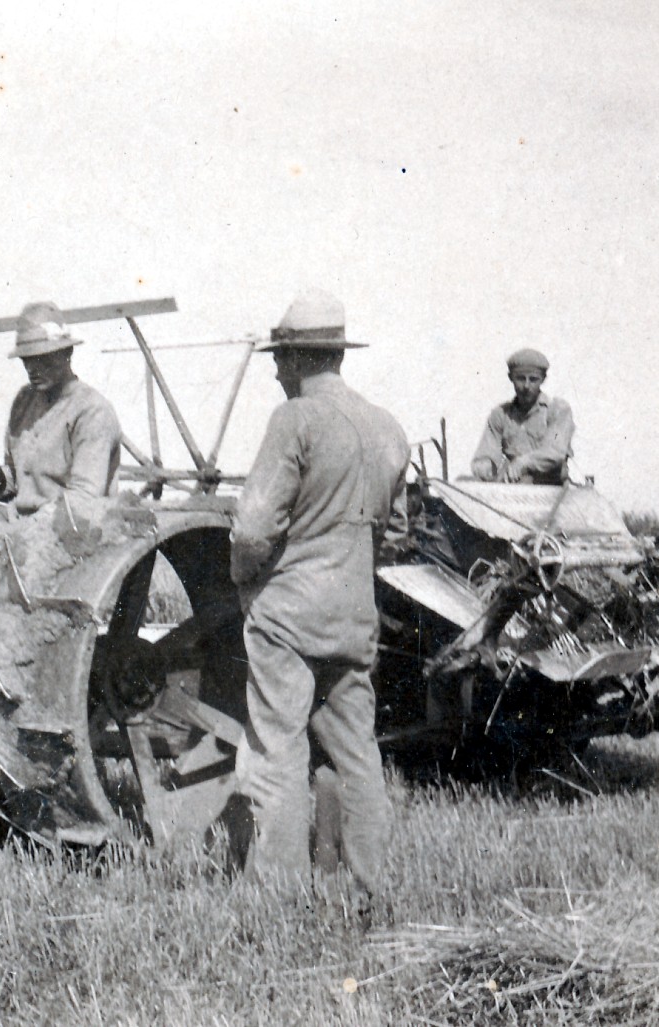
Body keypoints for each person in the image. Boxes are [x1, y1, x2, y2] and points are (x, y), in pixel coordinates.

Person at [229, 289, 408, 903]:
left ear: (300, 358)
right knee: (357, 753)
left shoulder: (295, 420)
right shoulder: (387, 427)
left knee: (276, 748)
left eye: (280, 359)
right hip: (355, 616)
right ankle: (367, 887)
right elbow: (398, 530)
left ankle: (277, 891)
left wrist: (244, 576)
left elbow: (253, 528)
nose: (278, 372)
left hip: (288, 616)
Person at [0, 302, 122, 559]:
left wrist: (15, 531)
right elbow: (14, 474)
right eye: (27, 359)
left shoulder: (92, 411)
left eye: (43, 358)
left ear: (67, 353)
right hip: (22, 522)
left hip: (73, 533)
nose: (32, 368)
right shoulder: (24, 401)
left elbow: (83, 500)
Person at [469, 348, 575, 485]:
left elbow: (554, 453)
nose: (526, 386)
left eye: (533, 379)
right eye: (520, 378)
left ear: (543, 379)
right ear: (510, 378)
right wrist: (488, 469)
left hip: (553, 489)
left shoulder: (558, 410)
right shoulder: (501, 414)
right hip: (515, 489)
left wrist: (522, 463)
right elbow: (485, 455)